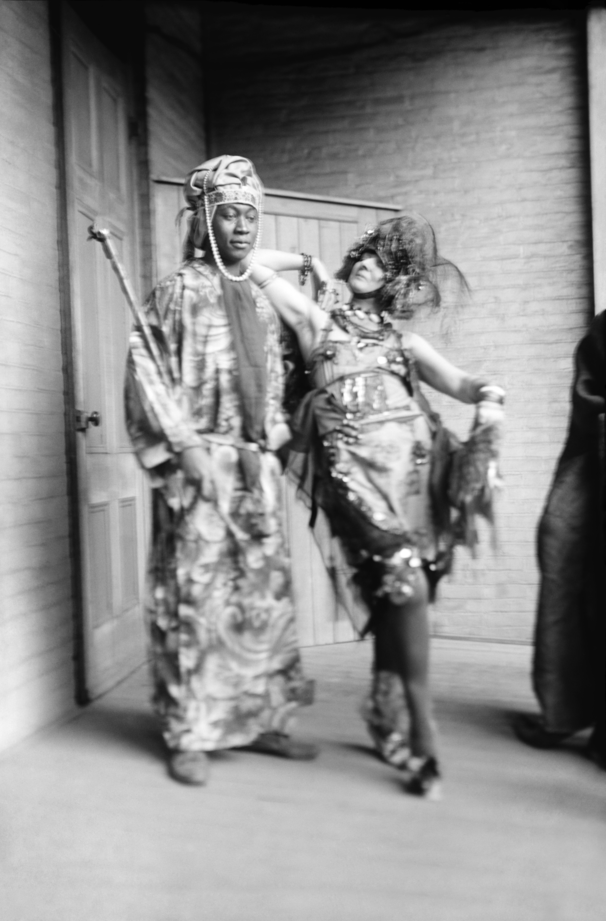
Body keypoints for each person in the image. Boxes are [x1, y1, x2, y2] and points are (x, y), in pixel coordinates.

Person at [250, 215, 506, 799]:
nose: (367, 263)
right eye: (364, 254)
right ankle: (422, 730)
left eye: (383, 263)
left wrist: (492, 397)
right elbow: (245, 264)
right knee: (405, 587)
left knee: (405, 596)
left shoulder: (405, 345)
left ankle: (385, 704)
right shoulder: (316, 322)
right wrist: (308, 263)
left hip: (414, 481)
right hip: (352, 480)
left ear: (397, 282)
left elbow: (465, 385)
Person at [124, 155, 317, 786]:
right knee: (194, 599)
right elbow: (145, 373)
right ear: (205, 219)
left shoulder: (259, 301)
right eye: (230, 215)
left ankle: (261, 721)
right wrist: (185, 448)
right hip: (198, 464)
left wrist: (279, 439)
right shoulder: (177, 291)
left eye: (250, 217)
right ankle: (189, 731)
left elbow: (278, 382)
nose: (242, 227)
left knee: (260, 598)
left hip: (253, 467)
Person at [514, 311, 605, 768]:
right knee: (560, 549)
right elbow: (588, 399)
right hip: (594, 462)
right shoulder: (605, 328)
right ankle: (564, 709)